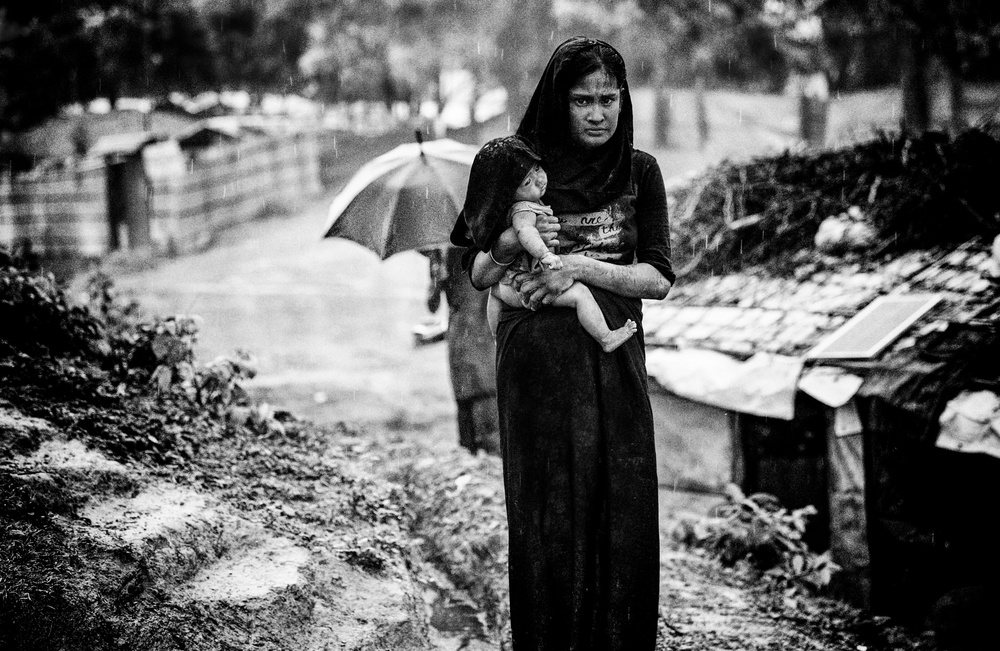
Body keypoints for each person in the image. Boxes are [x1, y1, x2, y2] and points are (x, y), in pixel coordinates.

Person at [451, 37, 675, 650]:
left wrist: (580, 267)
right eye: (583, 100)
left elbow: (656, 277)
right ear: (559, 101)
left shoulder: (640, 172)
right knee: (546, 510)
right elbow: (477, 272)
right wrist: (506, 245)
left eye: (610, 99)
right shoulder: (523, 167)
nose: (599, 113)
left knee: (621, 503)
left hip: (613, 361)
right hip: (538, 374)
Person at [464, 135, 638, 351]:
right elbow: (525, 232)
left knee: (496, 293)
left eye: (537, 169)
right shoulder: (523, 210)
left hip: (513, 285)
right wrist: (545, 254)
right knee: (580, 295)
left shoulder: (530, 202)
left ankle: (496, 338)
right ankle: (605, 337)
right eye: (527, 182)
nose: (539, 179)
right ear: (509, 194)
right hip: (530, 285)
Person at [422, 245, 501, 454]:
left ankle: (493, 460)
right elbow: (432, 305)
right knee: (463, 399)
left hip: (482, 332)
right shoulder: (439, 254)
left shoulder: (482, 247)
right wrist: (437, 280)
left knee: (486, 396)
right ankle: (470, 455)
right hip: (458, 335)